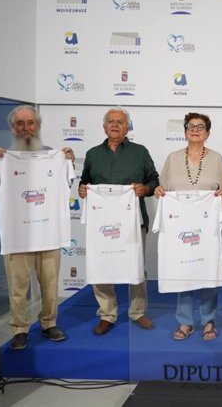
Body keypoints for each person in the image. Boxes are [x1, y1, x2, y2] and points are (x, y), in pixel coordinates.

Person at [0, 105, 75, 350]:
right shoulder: (1, 159)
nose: (26, 128)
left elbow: (66, 187)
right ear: (12, 128)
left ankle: (49, 323)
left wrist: (68, 160)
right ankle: (20, 328)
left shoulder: (54, 155)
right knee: (17, 288)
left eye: (31, 123)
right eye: (20, 123)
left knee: (50, 285)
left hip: (48, 234)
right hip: (18, 236)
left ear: (38, 126)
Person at [78, 108, 159, 336]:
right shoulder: (93, 154)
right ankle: (107, 313)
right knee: (101, 265)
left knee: (136, 267)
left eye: (120, 122)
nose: (115, 125)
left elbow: (154, 179)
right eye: (111, 122)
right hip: (101, 225)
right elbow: (85, 182)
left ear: (127, 127)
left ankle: (137, 312)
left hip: (134, 222)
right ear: (104, 127)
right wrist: (82, 190)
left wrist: (146, 188)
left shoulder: (140, 152)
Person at [154, 112, 222, 341]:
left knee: (208, 271)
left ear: (208, 132)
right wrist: (158, 192)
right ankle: (185, 322)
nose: (195, 130)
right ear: (185, 131)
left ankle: (208, 320)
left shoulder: (216, 159)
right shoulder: (173, 158)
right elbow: (162, 188)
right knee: (182, 271)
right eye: (190, 126)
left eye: (200, 126)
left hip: (207, 227)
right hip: (180, 228)